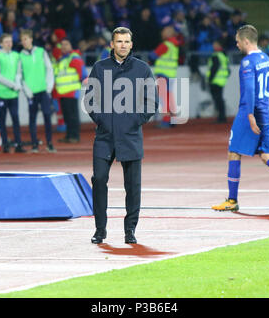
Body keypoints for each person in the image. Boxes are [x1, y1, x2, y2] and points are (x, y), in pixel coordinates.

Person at [84, 27, 158, 244]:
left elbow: (152, 102)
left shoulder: (142, 69)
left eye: (126, 41)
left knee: (132, 186)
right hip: (105, 136)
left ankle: (130, 230)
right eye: (119, 41)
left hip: (130, 135)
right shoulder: (99, 68)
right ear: (112, 44)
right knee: (98, 180)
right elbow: (90, 100)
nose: (123, 45)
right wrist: (102, 120)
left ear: (131, 44)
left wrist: (135, 121)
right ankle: (100, 229)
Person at [212, 25, 269, 212]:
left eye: (237, 41)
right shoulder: (265, 58)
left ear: (246, 41)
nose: (236, 44)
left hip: (250, 111)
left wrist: (250, 116)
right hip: (266, 110)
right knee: (267, 155)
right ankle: (232, 200)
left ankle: (232, 200)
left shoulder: (247, 62)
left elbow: (250, 91)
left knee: (233, 151)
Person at [18, 29, 56, 153]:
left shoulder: (41, 51)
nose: (24, 41)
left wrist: (49, 88)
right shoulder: (20, 56)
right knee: (32, 118)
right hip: (31, 92)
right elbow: (20, 75)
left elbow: (49, 69)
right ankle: (34, 145)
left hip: (43, 90)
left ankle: (49, 143)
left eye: (25, 39)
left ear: (31, 39)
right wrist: (27, 91)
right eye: (22, 39)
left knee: (47, 116)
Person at [0, 33, 25, 153]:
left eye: (10, 41)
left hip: (13, 93)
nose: (9, 43)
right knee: (2, 119)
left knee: (15, 118)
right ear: (1, 44)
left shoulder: (16, 55)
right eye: (6, 41)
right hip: (2, 92)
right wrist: (12, 85)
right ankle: (5, 144)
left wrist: (18, 82)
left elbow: (18, 72)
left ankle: (18, 144)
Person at [55, 38, 88, 143]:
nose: (64, 46)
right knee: (67, 115)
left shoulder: (73, 57)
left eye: (66, 44)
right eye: (62, 44)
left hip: (71, 91)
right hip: (63, 92)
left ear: (71, 46)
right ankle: (69, 135)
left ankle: (74, 136)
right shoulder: (63, 59)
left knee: (72, 115)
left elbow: (82, 74)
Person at [148, 25, 180, 128]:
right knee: (169, 96)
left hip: (163, 74)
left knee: (164, 98)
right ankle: (173, 119)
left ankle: (166, 120)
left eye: (164, 31)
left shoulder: (165, 45)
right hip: (171, 74)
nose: (162, 33)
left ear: (169, 34)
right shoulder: (174, 45)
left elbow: (153, 56)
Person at [206, 40, 230, 123]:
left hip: (215, 80)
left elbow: (214, 68)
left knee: (217, 99)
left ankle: (221, 117)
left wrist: (210, 79)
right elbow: (228, 70)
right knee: (219, 99)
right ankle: (222, 116)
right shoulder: (224, 55)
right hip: (222, 80)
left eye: (215, 44)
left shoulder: (216, 55)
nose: (213, 46)